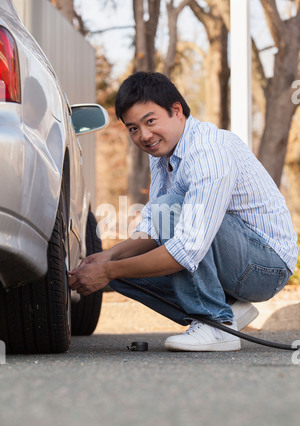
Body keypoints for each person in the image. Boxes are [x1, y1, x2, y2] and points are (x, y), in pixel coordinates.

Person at [69, 72, 299, 352]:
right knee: (123, 273)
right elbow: (154, 229)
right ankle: (228, 309)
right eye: (133, 128)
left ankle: (215, 323)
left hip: (266, 266)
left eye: (150, 121)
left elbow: (187, 248)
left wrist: (107, 270)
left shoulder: (209, 150)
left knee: (170, 211)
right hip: (231, 259)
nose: (144, 135)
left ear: (176, 110)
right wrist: (109, 257)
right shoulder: (162, 155)